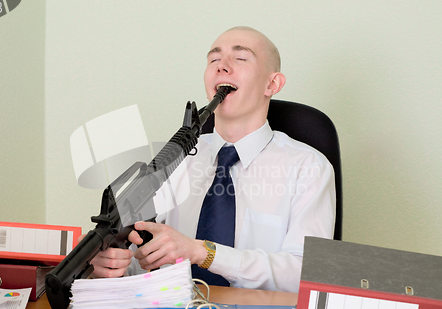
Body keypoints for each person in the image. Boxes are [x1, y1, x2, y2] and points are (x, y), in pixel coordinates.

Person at [87, 26, 336, 293]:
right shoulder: (172, 162)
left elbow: (306, 274)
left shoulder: (309, 167)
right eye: (214, 60)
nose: (222, 67)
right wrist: (113, 266)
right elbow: (145, 261)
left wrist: (202, 252)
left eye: (240, 58)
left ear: (272, 84)